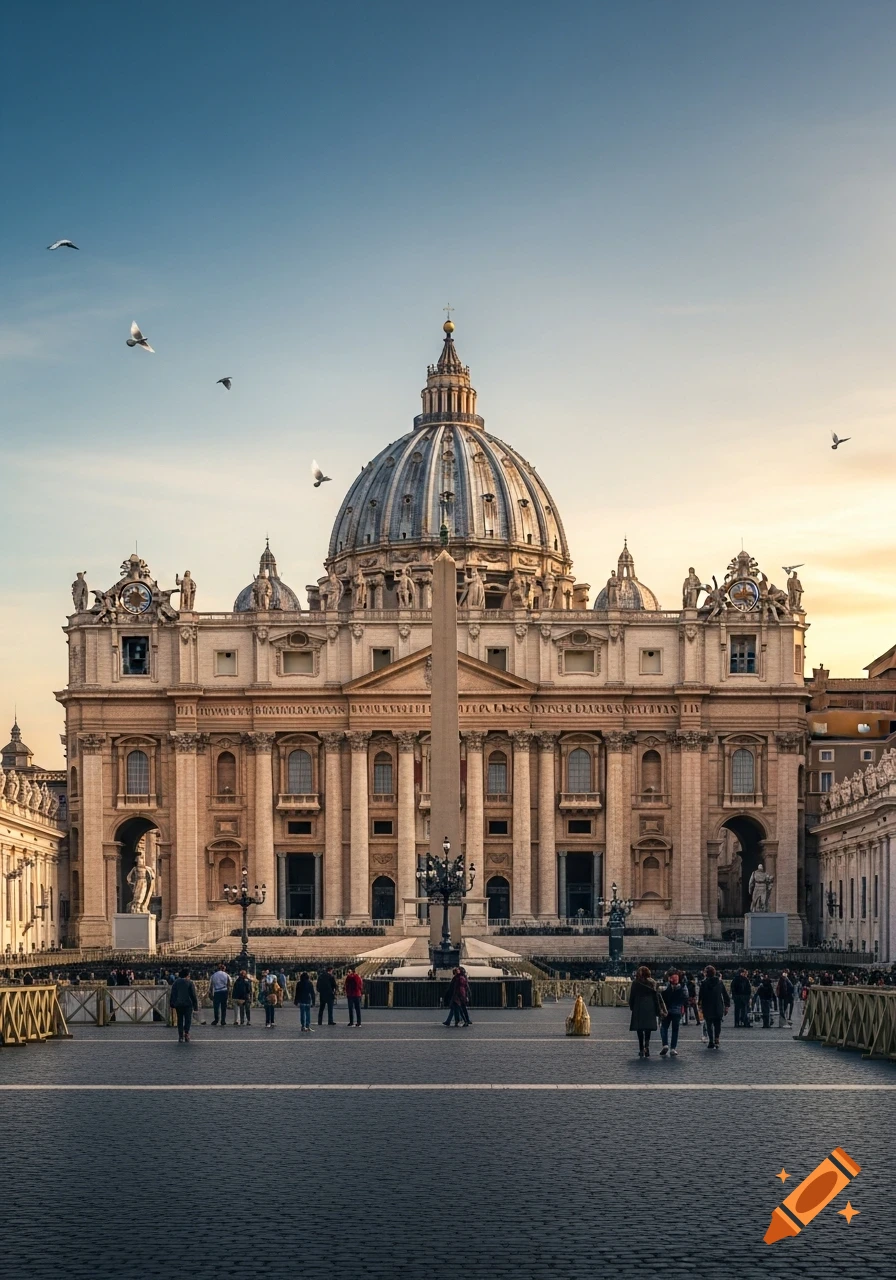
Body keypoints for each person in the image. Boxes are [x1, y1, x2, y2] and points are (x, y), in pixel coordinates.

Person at [629, 965, 665, 1058]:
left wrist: (632, 1006)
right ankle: (647, 1046)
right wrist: (658, 1009)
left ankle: (641, 1048)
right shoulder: (653, 983)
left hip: (638, 1006)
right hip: (650, 1006)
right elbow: (656, 997)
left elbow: (632, 996)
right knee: (648, 1028)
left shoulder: (635, 983)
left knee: (639, 1029)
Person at [698, 965, 730, 1050]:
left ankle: (711, 1041)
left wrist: (699, 1006)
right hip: (718, 1005)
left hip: (707, 1005)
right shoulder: (719, 983)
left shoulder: (704, 983)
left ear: (706, 974)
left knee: (709, 1024)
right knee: (717, 1024)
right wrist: (727, 1005)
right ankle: (717, 1038)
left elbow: (701, 996)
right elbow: (725, 995)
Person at [659, 973, 687, 1056]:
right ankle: (673, 1048)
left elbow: (660, 997)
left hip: (666, 1010)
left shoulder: (665, 987)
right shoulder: (682, 987)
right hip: (677, 1011)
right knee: (675, 1030)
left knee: (664, 1027)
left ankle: (665, 1044)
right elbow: (686, 997)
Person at [170, 967, 199, 1043]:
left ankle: (180, 1035)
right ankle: (186, 1033)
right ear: (187, 975)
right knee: (188, 1019)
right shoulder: (190, 982)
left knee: (180, 1019)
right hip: (188, 1004)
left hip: (178, 1004)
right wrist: (195, 1006)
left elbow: (173, 994)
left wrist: (172, 1003)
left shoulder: (176, 983)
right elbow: (193, 995)